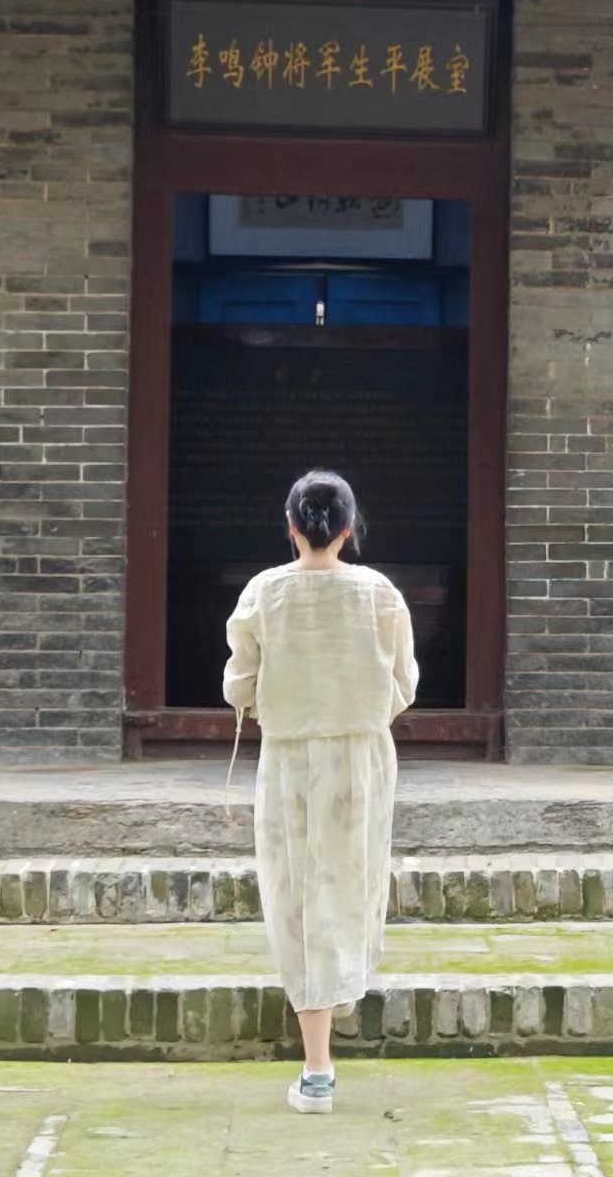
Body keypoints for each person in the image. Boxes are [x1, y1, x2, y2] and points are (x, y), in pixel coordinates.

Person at [223, 470, 418, 1115]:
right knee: (348, 886)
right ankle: (323, 1046)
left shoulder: (264, 592)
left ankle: (316, 1069)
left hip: (288, 758)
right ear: (348, 528)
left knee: (296, 897)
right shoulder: (379, 594)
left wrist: (278, 707)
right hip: (360, 759)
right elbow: (404, 684)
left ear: (291, 526)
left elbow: (239, 684)